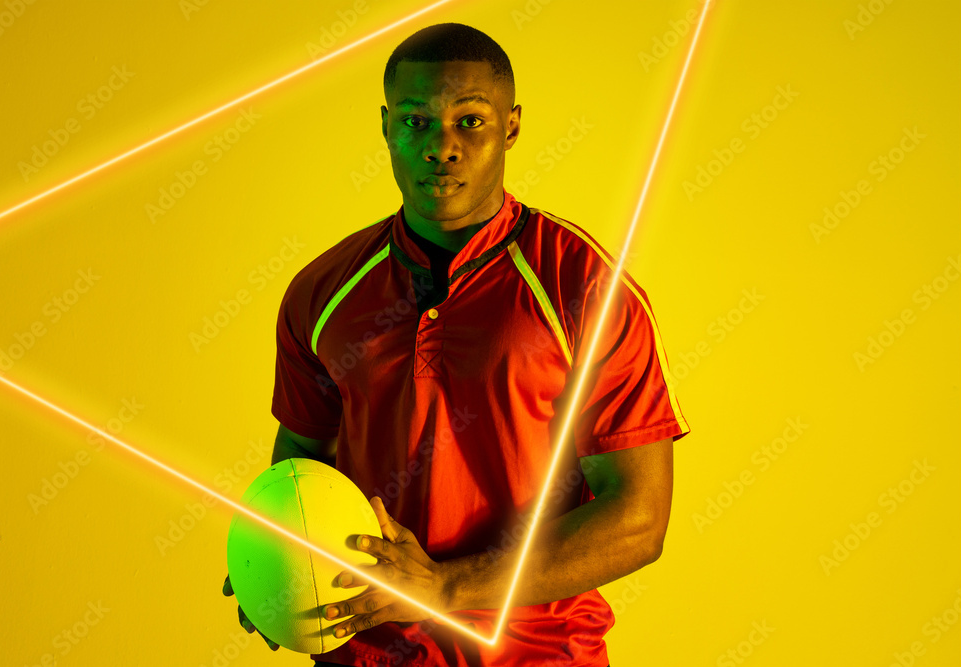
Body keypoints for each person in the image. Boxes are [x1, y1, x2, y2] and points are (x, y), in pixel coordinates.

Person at [222, 22, 690, 667]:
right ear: (386, 127)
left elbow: (638, 518)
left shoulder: (585, 288)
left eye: (469, 121)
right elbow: (303, 454)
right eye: (416, 122)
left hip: (539, 654)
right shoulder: (322, 290)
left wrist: (446, 587)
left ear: (513, 125)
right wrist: (274, 557)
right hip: (367, 652)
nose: (441, 147)